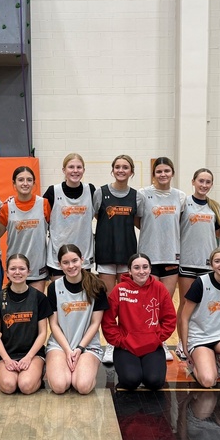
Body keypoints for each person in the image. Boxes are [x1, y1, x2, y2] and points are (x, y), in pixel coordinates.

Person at [101, 253, 176, 392]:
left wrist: (156, 338)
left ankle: (147, 369)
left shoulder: (159, 288)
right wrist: (120, 340)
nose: (141, 271)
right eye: (136, 268)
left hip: (152, 345)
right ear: (129, 271)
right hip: (126, 346)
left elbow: (170, 318)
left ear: (150, 269)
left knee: (155, 382)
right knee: (130, 381)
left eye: (145, 267)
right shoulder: (120, 289)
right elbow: (108, 320)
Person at [177, 248, 220, 388]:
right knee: (208, 381)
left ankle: (219, 361)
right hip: (200, 337)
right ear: (211, 265)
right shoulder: (200, 283)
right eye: (217, 261)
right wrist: (185, 346)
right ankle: (196, 365)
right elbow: (184, 318)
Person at [94, 154, 140, 364]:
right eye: (118, 167)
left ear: (131, 171)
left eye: (126, 167)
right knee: (110, 303)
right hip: (106, 253)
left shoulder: (136, 196)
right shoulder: (100, 193)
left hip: (127, 255)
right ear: (113, 170)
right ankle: (111, 344)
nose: (121, 170)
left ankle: (127, 341)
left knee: (126, 303)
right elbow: (95, 216)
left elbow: (138, 222)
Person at [45, 244, 108, 395]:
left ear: (82, 260)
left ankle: (86, 367)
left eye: (74, 261)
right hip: (60, 345)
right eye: (65, 263)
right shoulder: (53, 287)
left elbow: (95, 323)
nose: (71, 266)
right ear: (59, 264)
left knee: (82, 386)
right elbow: (53, 324)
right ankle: (58, 367)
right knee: (59, 386)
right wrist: (68, 350)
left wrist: (79, 349)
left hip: (87, 346)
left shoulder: (96, 285)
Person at [175, 167, 220, 356]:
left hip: (207, 265)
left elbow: (217, 235)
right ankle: (182, 342)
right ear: (193, 182)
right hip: (187, 262)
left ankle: (204, 341)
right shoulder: (184, 204)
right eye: (200, 181)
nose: (204, 185)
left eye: (207, 182)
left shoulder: (214, 207)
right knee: (186, 305)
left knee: (205, 306)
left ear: (211, 185)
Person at [0, 254, 53, 394]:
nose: (17, 272)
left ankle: (38, 372)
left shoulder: (39, 297)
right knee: (8, 386)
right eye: (13, 269)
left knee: (25, 386)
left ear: (28, 271)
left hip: (33, 353)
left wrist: (29, 357)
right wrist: (6, 359)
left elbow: (43, 333)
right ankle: (2, 372)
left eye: (22, 268)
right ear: (6, 272)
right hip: (8, 353)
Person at [136, 156, 187, 300]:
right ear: (153, 174)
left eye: (167, 171)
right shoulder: (143, 194)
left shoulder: (180, 196)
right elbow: (137, 219)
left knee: (164, 302)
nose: (163, 174)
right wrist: (152, 230)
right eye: (159, 171)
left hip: (171, 255)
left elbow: (180, 223)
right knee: (148, 302)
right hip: (149, 255)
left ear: (173, 173)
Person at [0, 166, 50, 292]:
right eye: (21, 180)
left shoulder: (44, 204)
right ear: (14, 183)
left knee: (35, 306)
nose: (25, 183)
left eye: (29, 180)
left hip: (37, 265)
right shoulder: (7, 207)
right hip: (16, 266)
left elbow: (55, 231)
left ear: (34, 183)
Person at [44, 153, 97, 277]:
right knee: (60, 294)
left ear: (83, 170)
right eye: (71, 167)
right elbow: (37, 212)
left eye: (79, 167)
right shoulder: (53, 191)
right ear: (64, 170)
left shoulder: (91, 190)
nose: (75, 171)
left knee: (83, 295)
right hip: (58, 253)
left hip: (83, 254)